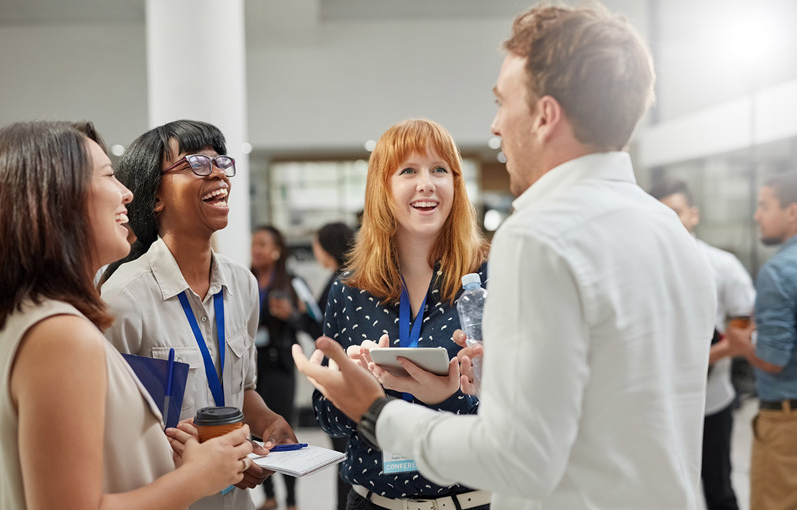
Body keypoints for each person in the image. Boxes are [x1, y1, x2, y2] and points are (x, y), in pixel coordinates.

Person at [293, 4, 718, 510]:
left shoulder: (539, 237)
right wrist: (471, 386)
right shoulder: (669, 231)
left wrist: (377, 413)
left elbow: (518, 457)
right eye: (407, 172)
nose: (495, 126)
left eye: (502, 102)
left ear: (544, 116)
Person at [0, 121, 253, 510]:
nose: (127, 193)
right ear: (58, 201)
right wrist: (197, 477)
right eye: (108, 177)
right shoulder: (59, 334)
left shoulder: (36, 317)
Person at [99, 120, 297, 510]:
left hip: (236, 500)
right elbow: (108, 429)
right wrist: (206, 457)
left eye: (221, 161)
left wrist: (268, 422)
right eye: (197, 164)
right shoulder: (123, 298)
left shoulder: (241, 284)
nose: (219, 172)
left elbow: (242, 391)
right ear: (155, 197)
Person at [313, 118, 490, 510]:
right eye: (408, 170)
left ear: (456, 186)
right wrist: (356, 392)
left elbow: (521, 406)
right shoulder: (350, 289)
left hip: (471, 501)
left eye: (439, 170)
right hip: (373, 502)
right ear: (383, 188)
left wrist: (453, 394)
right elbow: (327, 417)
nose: (426, 183)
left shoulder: (492, 279)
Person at [650, 178, 754, 510]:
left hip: (712, 403)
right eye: (662, 214)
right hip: (657, 406)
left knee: (719, 489)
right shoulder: (643, 268)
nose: (671, 221)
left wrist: (698, 360)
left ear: (693, 214)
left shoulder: (723, 266)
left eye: (677, 212)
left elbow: (745, 335)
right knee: (662, 494)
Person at [726, 171, 797, 510]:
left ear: (792, 212)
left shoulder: (778, 271)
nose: (757, 216)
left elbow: (773, 359)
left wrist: (741, 344)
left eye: (764, 205)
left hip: (787, 424)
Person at [250, 225, 313, 510]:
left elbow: (314, 321)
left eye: (263, 244)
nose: (257, 249)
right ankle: (270, 496)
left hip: (281, 367)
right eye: (254, 244)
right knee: (255, 432)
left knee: (281, 431)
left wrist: (292, 315)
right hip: (253, 365)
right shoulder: (244, 280)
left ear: (276, 250)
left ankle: (292, 500)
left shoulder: (293, 281)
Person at [302, 221, 356, 510]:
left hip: (342, 378)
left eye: (317, 245)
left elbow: (326, 336)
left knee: (346, 456)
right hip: (345, 377)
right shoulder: (344, 280)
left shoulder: (342, 281)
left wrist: (301, 318)